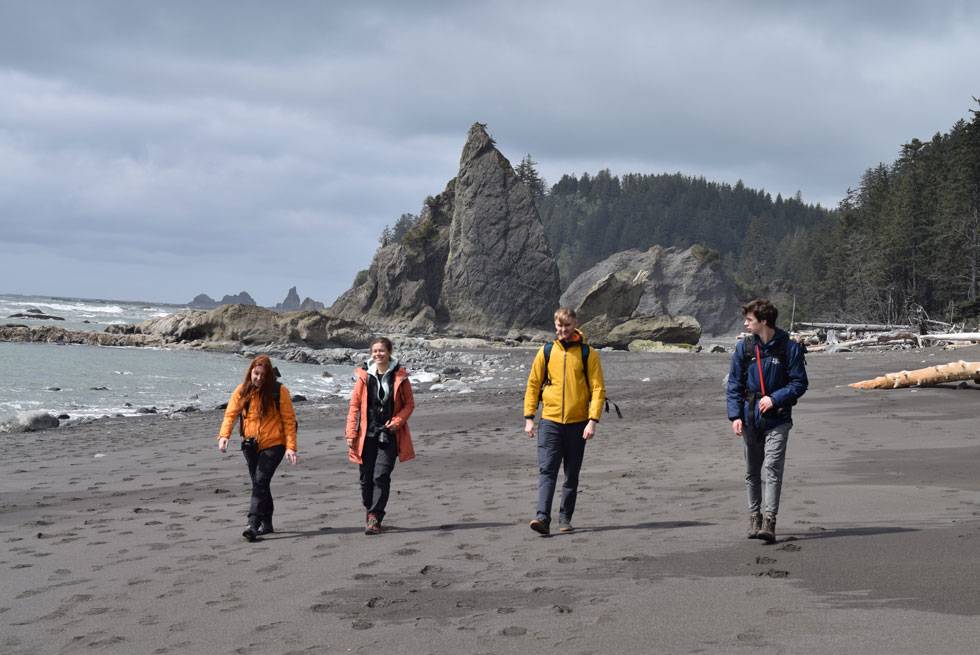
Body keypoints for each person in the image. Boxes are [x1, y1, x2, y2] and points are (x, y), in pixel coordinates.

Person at [726, 299, 808, 543]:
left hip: (778, 419)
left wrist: (775, 398)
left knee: (772, 468)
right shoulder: (745, 348)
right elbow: (734, 384)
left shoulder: (789, 347)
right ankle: (754, 518)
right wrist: (735, 416)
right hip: (750, 418)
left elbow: (799, 383)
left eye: (749, 320)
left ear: (763, 321)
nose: (745, 323)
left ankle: (769, 522)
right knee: (752, 471)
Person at [523, 307, 606, 535]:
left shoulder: (589, 354)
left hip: (579, 423)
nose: (563, 330)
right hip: (549, 421)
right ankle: (542, 518)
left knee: (571, 474)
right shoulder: (546, 351)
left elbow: (598, 388)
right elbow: (533, 384)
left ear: (575, 324)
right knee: (547, 471)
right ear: (555, 325)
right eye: (559, 326)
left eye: (567, 326)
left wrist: (593, 420)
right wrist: (529, 417)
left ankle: (565, 518)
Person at [216, 354, 298, 542]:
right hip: (250, 445)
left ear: (269, 375)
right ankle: (267, 523)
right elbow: (231, 414)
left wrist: (291, 447)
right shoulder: (242, 390)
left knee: (260, 482)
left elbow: (289, 420)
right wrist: (224, 436)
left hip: (274, 444)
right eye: (256, 373)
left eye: (263, 374)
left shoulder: (279, 391)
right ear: (250, 372)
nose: (259, 378)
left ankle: (252, 524)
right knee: (260, 484)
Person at [345, 337, 416, 535]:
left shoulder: (400, 376)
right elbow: (354, 406)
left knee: (381, 476)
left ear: (389, 352)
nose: (378, 354)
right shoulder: (363, 376)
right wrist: (350, 432)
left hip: (390, 435)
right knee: (366, 479)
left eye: (382, 351)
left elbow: (409, 404)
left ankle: (375, 516)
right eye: (375, 351)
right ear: (371, 353)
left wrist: (397, 422)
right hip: (366, 435)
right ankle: (370, 510)